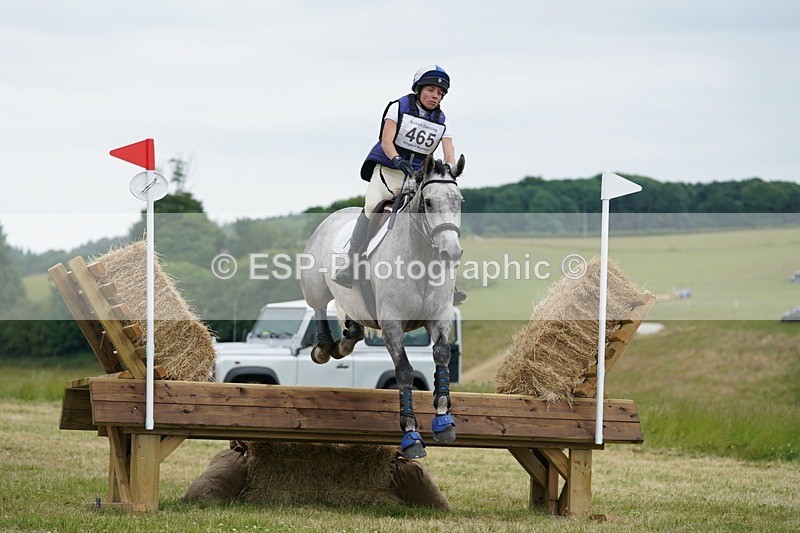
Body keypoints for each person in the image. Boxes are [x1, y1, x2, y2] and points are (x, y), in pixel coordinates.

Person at [333, 65, 466, 305]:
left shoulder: (443, 120)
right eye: (431, 90)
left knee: (432, 216)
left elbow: (449, 149)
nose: (436, 95)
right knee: (373, 207)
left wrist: (448, 169)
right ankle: (351, 263)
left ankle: (448, 281)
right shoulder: (398, 107)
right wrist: (397, 160)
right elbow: (386, 140)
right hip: (390, 170)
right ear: (418, 90)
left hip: (420, 175)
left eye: (440, 93)